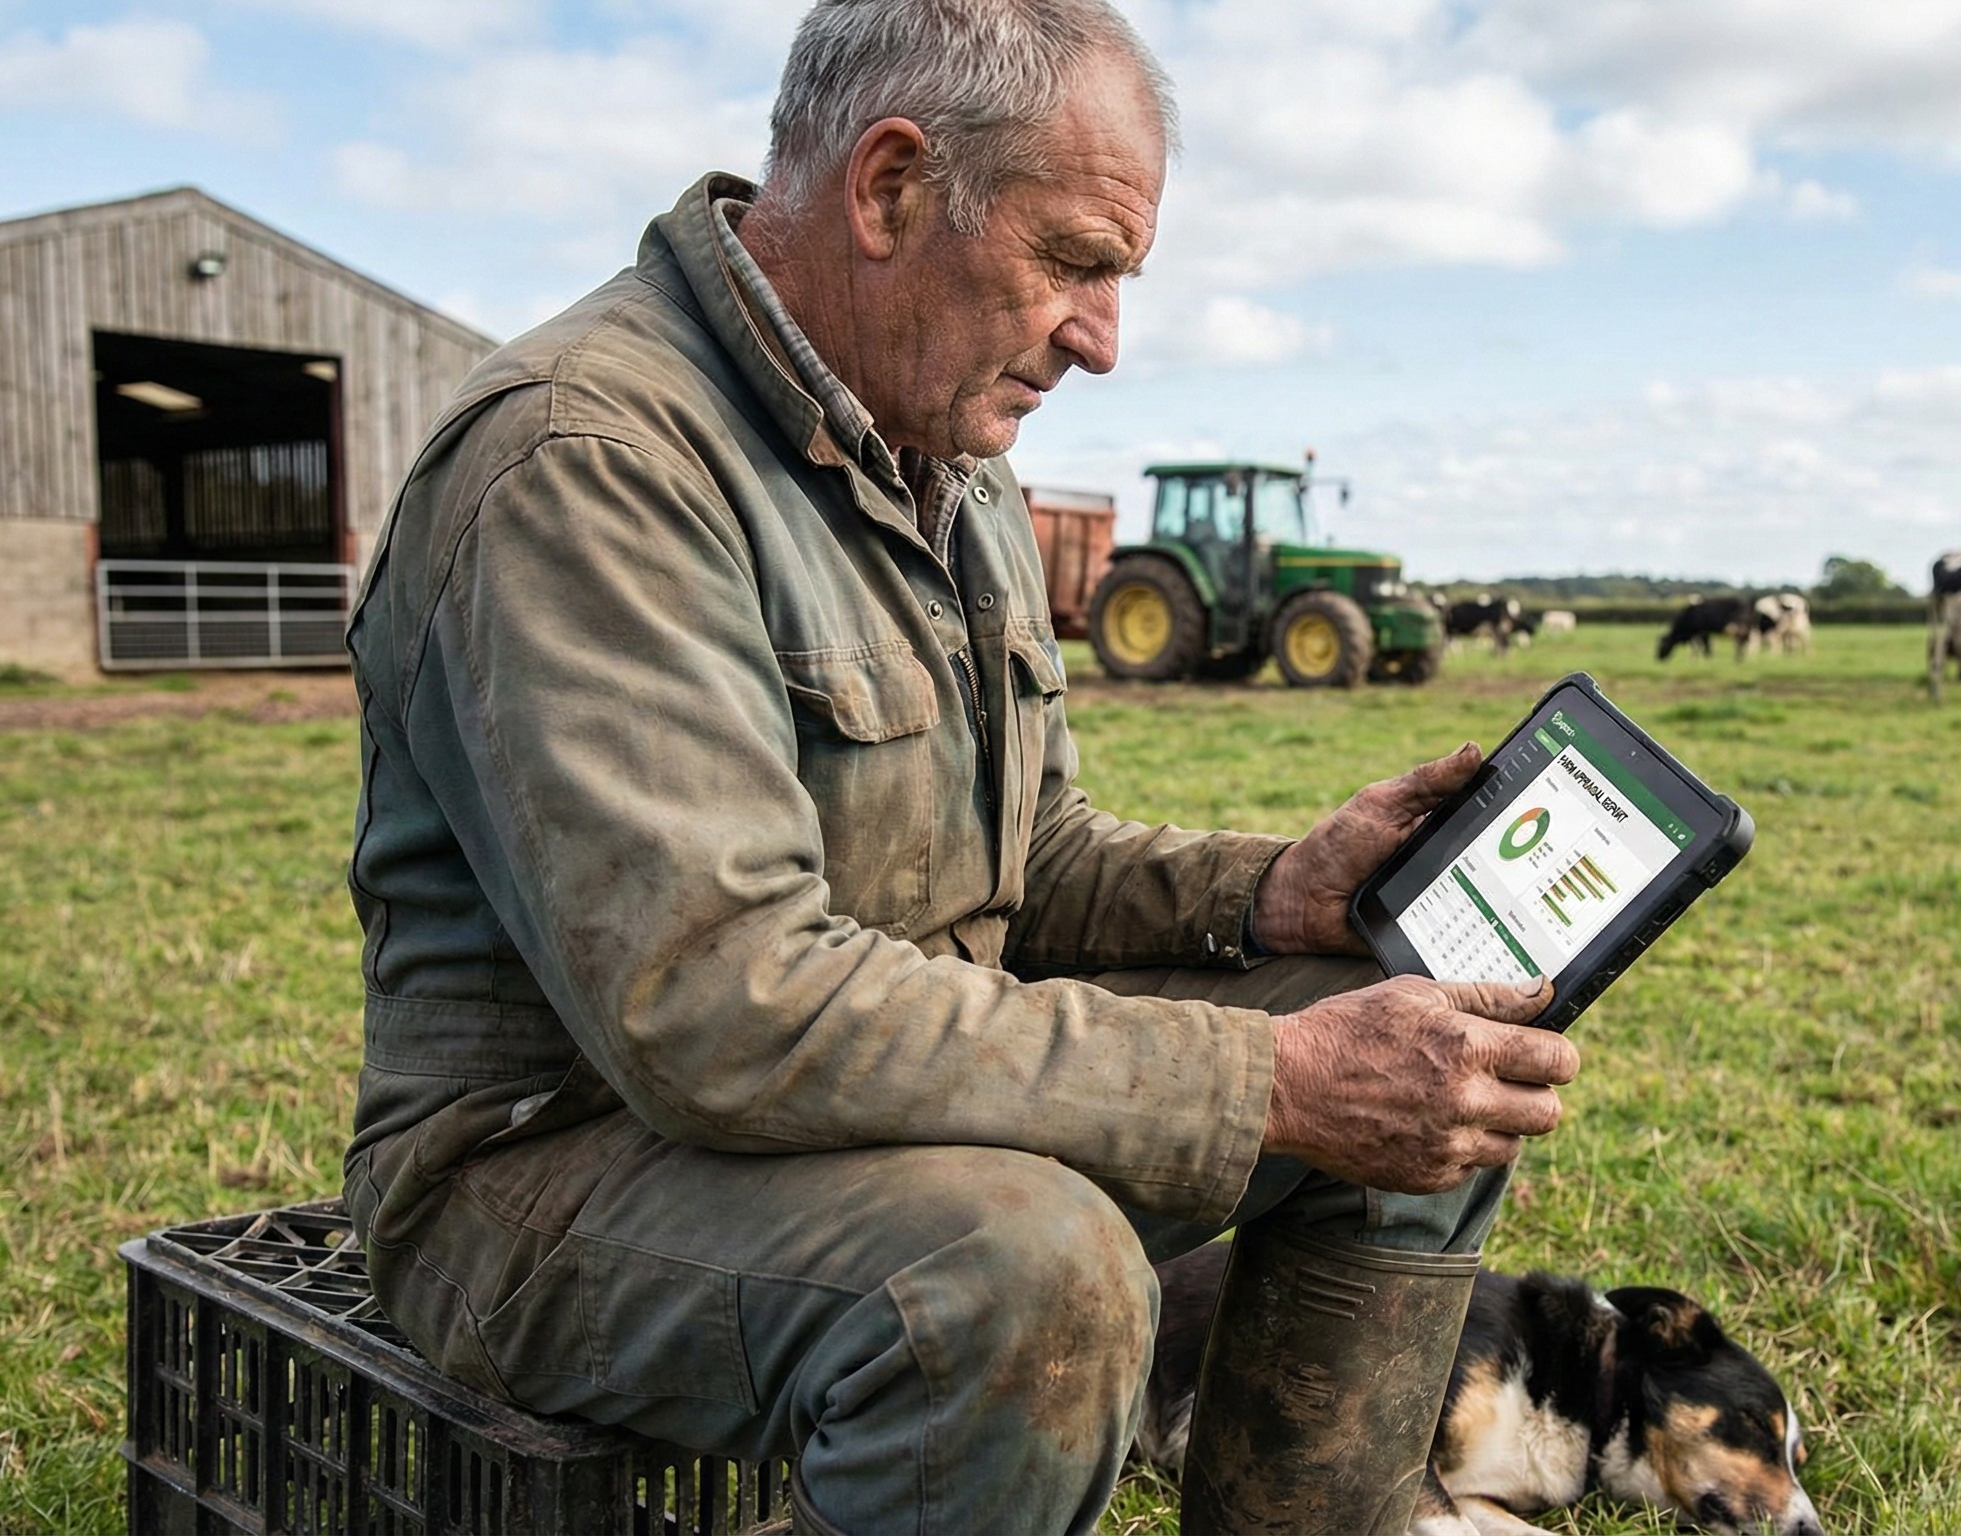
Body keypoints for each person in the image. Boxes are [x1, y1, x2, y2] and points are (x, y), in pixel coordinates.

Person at [339, 1, 1578, 1531]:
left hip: (879, 1104)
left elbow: (1024, 857)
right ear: (890, 189)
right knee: (1017, 1273)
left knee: (1403, 1045)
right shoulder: (586, 463)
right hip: (550, 1180)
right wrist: (1259, 1083)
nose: (1105, 344)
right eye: (1077, 262)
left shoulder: (947, 458)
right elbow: (718, 1005)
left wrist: (1273, 894)